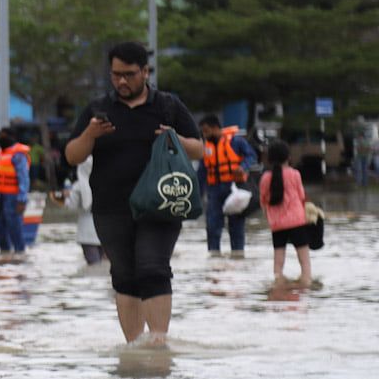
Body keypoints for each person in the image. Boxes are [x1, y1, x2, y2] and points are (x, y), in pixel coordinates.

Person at [65, 41, 203, 345]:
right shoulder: (98, 109)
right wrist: (90, 134)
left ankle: (158, 344)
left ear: (145, 72)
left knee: (153, 268)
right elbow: (72, 155)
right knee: (124, 275)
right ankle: (134, 350)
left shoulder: (167, 106)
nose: (121, 81)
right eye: (116, 75)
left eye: (128, 74)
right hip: (110, 207)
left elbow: (199, 149)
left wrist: (175, 138)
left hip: (162, 204)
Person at [198, 114, 257, 258]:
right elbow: (202, 172)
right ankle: (214, 257)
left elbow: (251, 156)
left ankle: (238, 255)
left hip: (234, 188)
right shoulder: (206, 147)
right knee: (212, 224)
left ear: (215, 128)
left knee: (236, 224)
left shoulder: (236, 141)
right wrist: (198, 194)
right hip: (214, 190)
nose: (204, 135)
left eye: (206, 131)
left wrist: (243, 167)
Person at [259, 139, 312, 286]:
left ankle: (279, 285)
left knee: (278, 260)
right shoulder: (295, 174)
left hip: (277, 224)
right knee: (304, 260)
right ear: (288, 157)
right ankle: (306, 283)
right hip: (297, 221)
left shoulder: (265, 178)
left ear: (270, 159)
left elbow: (263, 200)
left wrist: (269, 216)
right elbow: (301, 196)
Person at [0, 127, 30, 260]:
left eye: (3, 136)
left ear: (11, 137)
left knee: (15, 230)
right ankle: (5, 254)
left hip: (14, 198)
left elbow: (24, 179)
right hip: (1, 197)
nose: (1, 139)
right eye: (0, 136)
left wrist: (22, 200)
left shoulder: (18, 155)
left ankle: (20, 256)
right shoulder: (0, 154)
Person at [49, 157, 104, 265]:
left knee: (93, 264)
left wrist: (61, 198)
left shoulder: (78, 186)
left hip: (86, 235)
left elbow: (71, 205)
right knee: (102, 265)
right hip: (104, 232)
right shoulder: (106, 184)